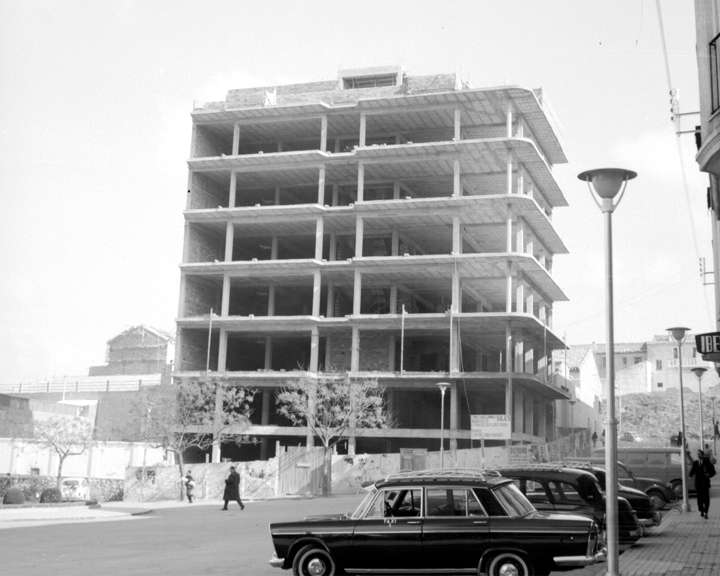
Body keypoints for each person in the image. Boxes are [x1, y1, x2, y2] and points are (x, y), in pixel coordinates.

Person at [689, 449, 716, 519]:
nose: (698, 455)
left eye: (700, 454)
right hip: (698, 484)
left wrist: (709, 474)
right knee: (700, 499)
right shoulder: (695, 463)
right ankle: (701, 510)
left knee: (706, 499)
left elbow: (713, 472)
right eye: (697, 454)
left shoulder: (707, 462)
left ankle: (706, 512)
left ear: (702, 455)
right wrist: (690, 476)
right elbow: (692, 471)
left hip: (705, 484)